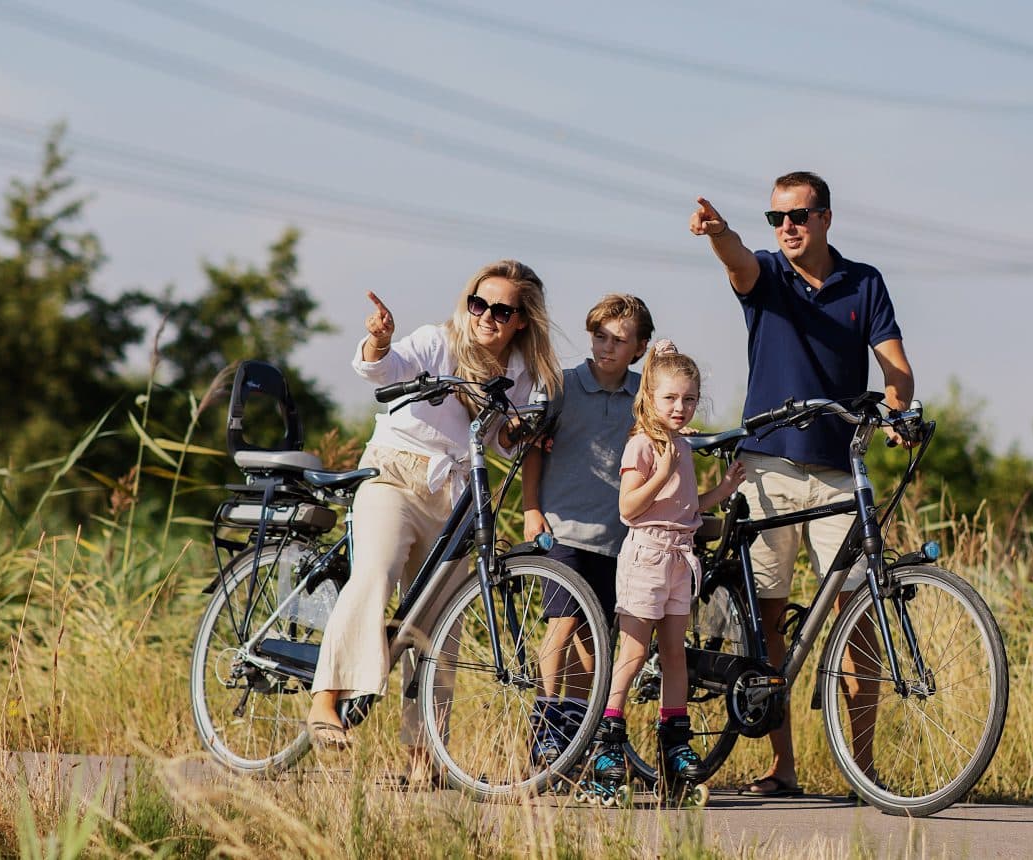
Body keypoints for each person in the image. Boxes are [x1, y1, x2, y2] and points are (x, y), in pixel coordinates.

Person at [688, 172, 916, 798]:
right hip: (768, 467)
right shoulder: (765, 274)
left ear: (826, 218)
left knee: (858, 614)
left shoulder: (863, 282)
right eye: (776, 218)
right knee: (767, 620)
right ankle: (782, 767)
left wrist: (896, 409)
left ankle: (862, 771)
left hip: (841, 468)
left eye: (798, 215)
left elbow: (896, 367)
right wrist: (720, 233)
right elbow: (737, 260)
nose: (786, 226)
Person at [303, 260, 563, 772]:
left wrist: (519, 434)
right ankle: (324, 702)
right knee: (374, 574)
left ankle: (423, 753)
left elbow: (503, 442)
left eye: (501, 309)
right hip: (395, 475)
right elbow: (383, 369)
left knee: (442, 624)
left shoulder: (522, 374)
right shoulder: (436, 343)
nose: (486, 316)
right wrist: (378, 341)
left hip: (455, 494)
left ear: (521, 320)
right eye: (478, 303)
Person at [580, 341, 748, 800]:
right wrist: (662, 470)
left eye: (689, 399)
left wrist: (722, 490)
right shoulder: (643, 446)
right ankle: (608, 740)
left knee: (675, 654)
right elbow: (629, 508)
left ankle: (674, 739)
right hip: (647, 557)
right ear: (650, 398)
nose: (680, 407)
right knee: (633, 654)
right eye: (671, 398)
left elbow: (688, 508)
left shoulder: (681, 447)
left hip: (680, 559)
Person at [520, 294, 653, 765]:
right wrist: (531, 508)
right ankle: (545, 723)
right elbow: (534, 447)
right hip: (564, 531)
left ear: (638, 348)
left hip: (618, 538)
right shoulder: (563, 385)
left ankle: (577, 734)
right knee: (562, 626)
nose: (607, 347)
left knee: (594, 642)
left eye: (620, 341)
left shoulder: (645, 395)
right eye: (600, 336)